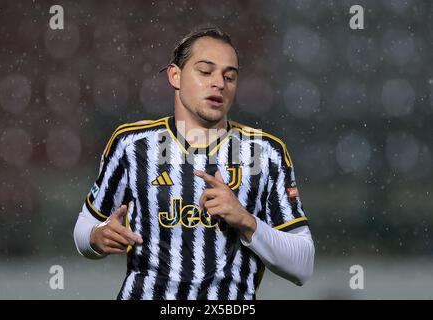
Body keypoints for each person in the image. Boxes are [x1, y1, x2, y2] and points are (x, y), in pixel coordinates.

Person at [73, 27, 315, 300]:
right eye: (205, 71)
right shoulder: (132, 145)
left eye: (229, 76)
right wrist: (96, 238)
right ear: (175, 76)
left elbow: (303, 266)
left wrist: (247, 222)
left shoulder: (265, 153)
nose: (219, 83)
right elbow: (85, 226)